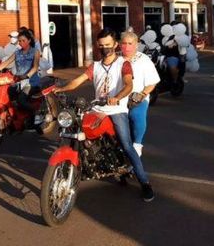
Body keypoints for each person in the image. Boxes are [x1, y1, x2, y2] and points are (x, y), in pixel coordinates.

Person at [55, 28, 155, 202]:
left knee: (127, 146)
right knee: (74, 126)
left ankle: (145, 183)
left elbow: (128, 84)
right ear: (97, 46)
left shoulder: (123, 63)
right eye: (101, 46)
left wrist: (117, 98)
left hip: (116, 109)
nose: (105, 48)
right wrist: (60, 89)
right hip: (96, 108)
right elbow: (78, 81)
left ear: (115, 44)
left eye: (108, 45)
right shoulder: (95, 66)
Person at [0, 30, 41, 128]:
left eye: (23, 40)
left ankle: (36, 114)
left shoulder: (35, 52)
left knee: (21, 99)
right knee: (8, 95)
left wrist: (26, 76)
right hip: (17, 80)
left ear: (29, 40)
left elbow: (35, 67)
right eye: (19, 41)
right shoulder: (17, 53)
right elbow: (5, 63)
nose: (21, 43)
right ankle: (14, 117)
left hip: (31, 81)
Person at [120, 31, 160, 157]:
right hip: (117, 98)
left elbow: (152, 83)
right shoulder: (115, 59)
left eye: (130, 43)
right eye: (124, 43)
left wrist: (142, 94)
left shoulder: (144, 59)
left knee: (136, 115)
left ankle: (137, 144)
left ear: (136, 45)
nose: (127, 47)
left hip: (137, 98)